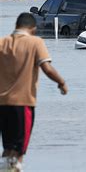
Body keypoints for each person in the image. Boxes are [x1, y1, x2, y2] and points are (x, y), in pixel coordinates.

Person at [0, 13, 68, 170]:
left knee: (8, 147)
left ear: (16, 26)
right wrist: (61, 83)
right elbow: (47, 68)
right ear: (33, 29)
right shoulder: (35, 42)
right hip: (22, 103)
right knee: (19, 150)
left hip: (2, 104)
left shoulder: (2, 42)